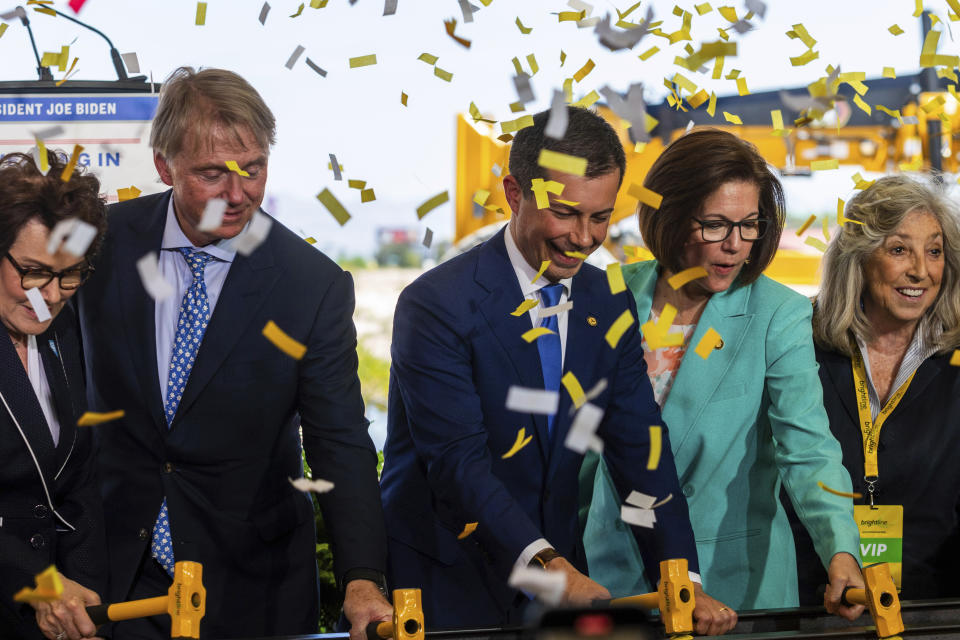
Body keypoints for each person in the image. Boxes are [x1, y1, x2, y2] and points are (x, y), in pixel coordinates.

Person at [380, 107, 734, 635]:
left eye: (601, 216)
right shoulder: (435, 305)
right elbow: (457, 463)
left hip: (560, 589)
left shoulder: (608, 301)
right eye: (566, 213)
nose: (585, 237)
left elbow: (639, 448)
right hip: (446, 585)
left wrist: (680, 574)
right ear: (515, 194)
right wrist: (547, 566)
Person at [75, 67, 391, 639]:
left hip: (251, 587)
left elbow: (339, 438)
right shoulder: (98, 242)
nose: (238, 192)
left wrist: (363, 577)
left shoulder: (310, 284)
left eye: (254, 169)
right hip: (111, 575)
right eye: (212, 173)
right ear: (164, 166)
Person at [581, 129, 864, 617]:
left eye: (749, 225)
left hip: (735, 588)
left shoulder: (779, 313)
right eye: (715, 225)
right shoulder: (607, 294)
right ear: (668, 216)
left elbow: (809, 448)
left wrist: (841, 550)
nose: (736, 246)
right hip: (612, 578)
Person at [789, 175, 960, 600]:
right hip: (811, 604)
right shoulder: (797, 347)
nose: (921, 270)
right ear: (860, 260)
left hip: (930, 608)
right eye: (899, 249)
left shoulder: (957, 363)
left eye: (934, 252)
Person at [0, 151, 108, 640]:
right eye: (32, 271)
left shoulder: (63, 333)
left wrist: (84, 595)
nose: (50, 296)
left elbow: (77, 477)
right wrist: (39, 581)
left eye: (69, 275)